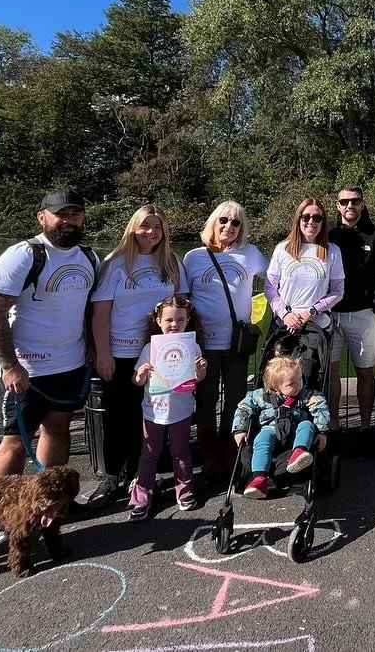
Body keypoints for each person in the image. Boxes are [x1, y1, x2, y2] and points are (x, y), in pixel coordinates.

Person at [0, 188, 100, 551]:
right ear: (42, 217)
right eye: (60, 214)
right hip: (27, 368)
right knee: (16, 441)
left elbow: (88, 308)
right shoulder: (24, 256)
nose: (68, 221)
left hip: (70, 363)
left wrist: (93, 346)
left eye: (75, 214)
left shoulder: (90, 258)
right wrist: (9, 364)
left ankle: (54, 504)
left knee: (58, 430)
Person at [84, 205, 189, 507]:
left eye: (158, 227)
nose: (152, 233)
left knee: (154, 414)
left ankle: (143, 473)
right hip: (120, 351)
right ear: (133, 228)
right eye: (145, 226)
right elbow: (100, 312)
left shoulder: (172, 262)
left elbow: (182, 306)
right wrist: (103, 354)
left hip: (159, 352)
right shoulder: (115, 263)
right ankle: (113, 476)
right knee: (118, 415)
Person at [183, 201, 268, 482]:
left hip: (236, 342)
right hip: (204, 343)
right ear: (213, 222)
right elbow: (183, 300)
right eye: (223, 220)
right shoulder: (194, 258)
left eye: (235, 223)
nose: (228, 227)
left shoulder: (251, 254)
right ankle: (208, 454)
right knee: (205, 400)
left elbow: (277, 279)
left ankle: (230, 450)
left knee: (235, 400)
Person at [127, 297, 208, 521]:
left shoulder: (192, 346)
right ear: (158, 320)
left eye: (180, 320)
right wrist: (141, 374)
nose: (174, 324)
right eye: (169, 319)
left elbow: (197, 378)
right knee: (149, 454)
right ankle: (141, 497)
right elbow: (137, 380)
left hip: (181, 410)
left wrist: (201, 369)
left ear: (188, 320)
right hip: (153, 411)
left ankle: (185, 491)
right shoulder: (150, 348)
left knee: (181, 453)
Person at [327, 185, 375, 435]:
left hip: (364, 315)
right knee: (331, 373)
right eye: (344, 202)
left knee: (365, 372)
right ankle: (333, 426)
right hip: (331, 315)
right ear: (338, 205)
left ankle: (366, 427)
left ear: (362, 204)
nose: (349, 206)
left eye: (355, 201)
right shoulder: (330, 235)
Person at [232, 355, 331, 498]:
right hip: (270, 429)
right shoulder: (261, 396)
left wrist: (322, 432)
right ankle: (259, 478)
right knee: (261, 440)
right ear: (274, 387)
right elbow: (243, 408)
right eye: (291, 384)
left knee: (307, 425)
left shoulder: (306, 395)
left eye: (300, 379)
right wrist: (240, 429)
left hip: (295, 431)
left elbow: (320, 407)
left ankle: (299, 453)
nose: (298, 385)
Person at [264, 198, 345, 337]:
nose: (311, 222)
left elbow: (337, 291)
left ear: (323, 222)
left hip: (317, 328)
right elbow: (270, 288)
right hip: (284, 326)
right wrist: (285, 315)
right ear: (298, 219)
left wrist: (311, 311)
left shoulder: (333, 251)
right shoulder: (282, 249)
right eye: (306, 217)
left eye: (317, 218)